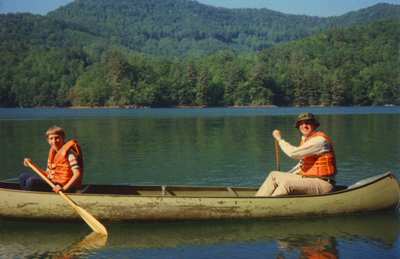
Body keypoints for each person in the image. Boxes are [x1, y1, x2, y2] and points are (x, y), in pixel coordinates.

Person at [255, 112, 336, 197]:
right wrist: (287, 175)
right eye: (301, 124)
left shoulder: (320, 141)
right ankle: (257, 200)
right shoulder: (306, 140)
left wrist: (280, 140)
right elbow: (300, 166)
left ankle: (268, 205)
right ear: (298, 127)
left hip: (323, 183)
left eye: (308, 123)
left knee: (287, 184)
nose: (304, 126)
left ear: (314, 125)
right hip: (308, 179)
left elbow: (293, 153)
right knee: (274, 175)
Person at [19, 126, 84, 193]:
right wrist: (32, 164)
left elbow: (77, 174)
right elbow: (47, 174)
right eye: (51, 138)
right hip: (53, 183)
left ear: (63, 138)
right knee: (23, 176)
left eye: (57, 138)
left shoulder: (69, 154)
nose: (54, 141)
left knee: (31, 181)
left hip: (63, 186)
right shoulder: (53, 153)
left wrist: (64, 188)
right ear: (48, 140)